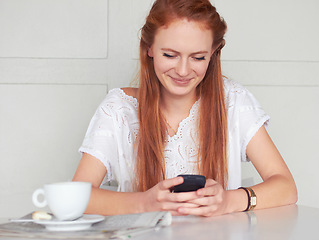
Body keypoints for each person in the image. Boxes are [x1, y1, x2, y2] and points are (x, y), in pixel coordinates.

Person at [73, 0, 297, 217]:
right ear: (149, 48)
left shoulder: (233, 101)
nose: (182, 70)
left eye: (198, 57)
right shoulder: (119, 109)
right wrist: (144, 202)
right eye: (170, 55)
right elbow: (77, 197)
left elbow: (286, 187)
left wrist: (229, 201)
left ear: (213, 52)